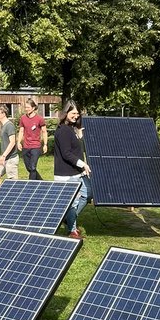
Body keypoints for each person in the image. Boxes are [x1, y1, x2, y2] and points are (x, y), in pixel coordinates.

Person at [53, 100, 92, 239]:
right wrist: (83, 164)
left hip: (76, 172)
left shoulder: (71, 129)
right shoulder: (63, 130)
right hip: (67, 173)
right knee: (73, 202)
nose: (76, 116)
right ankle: (72, 230)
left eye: (77, 113)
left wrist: (79, 137)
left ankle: (68, 219)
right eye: (73, 113)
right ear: (66, 113)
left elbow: (74, 148)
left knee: (88, 193)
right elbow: (66, 153)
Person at [17, 97, 47, 180]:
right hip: (26, 146)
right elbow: (21, 131)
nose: (26, 109)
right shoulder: (23, 118)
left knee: (33, 167)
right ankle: (41, 181)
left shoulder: (39, 119)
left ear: (33, 108)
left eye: (28, 107)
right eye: (25, 107)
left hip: (36, 146)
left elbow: (44, 131)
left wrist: (45, 144)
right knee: (29, 168)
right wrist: (19, 142)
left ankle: (31, 185)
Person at [0, 105, 20, 187]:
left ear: (4, 114)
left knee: (12, 183)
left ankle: (12, 198)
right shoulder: (4, 126)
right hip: (3, 157)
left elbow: (12, 142)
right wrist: (2, 156)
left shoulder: (9, 125)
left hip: (11, 158)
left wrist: (4, 156)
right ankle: (0, 196)